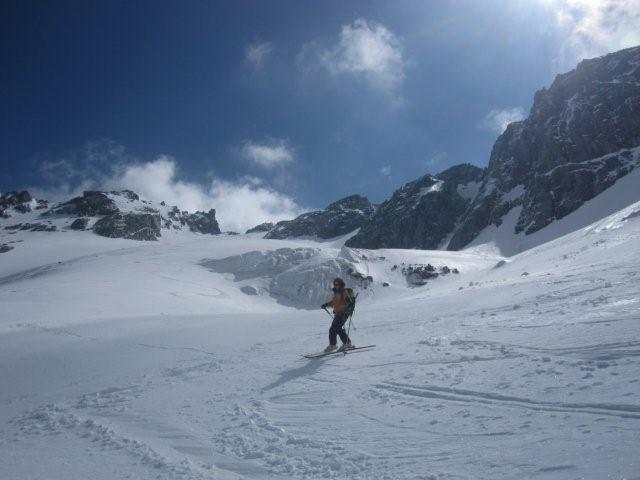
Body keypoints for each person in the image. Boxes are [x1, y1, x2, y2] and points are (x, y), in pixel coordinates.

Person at [320, 277, 354, 353]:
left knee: (337, 328)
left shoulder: (344, 292)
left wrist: (344, 308)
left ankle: (347, 343)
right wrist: (326, 304)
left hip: (343, 314)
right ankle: (333, 345)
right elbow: (334, 302)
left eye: (337, 284)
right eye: (334, 284)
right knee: (332, 329)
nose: (336, 285)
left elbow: (349, 302)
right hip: (337, 314)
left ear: (341, 284)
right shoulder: (337, 293)